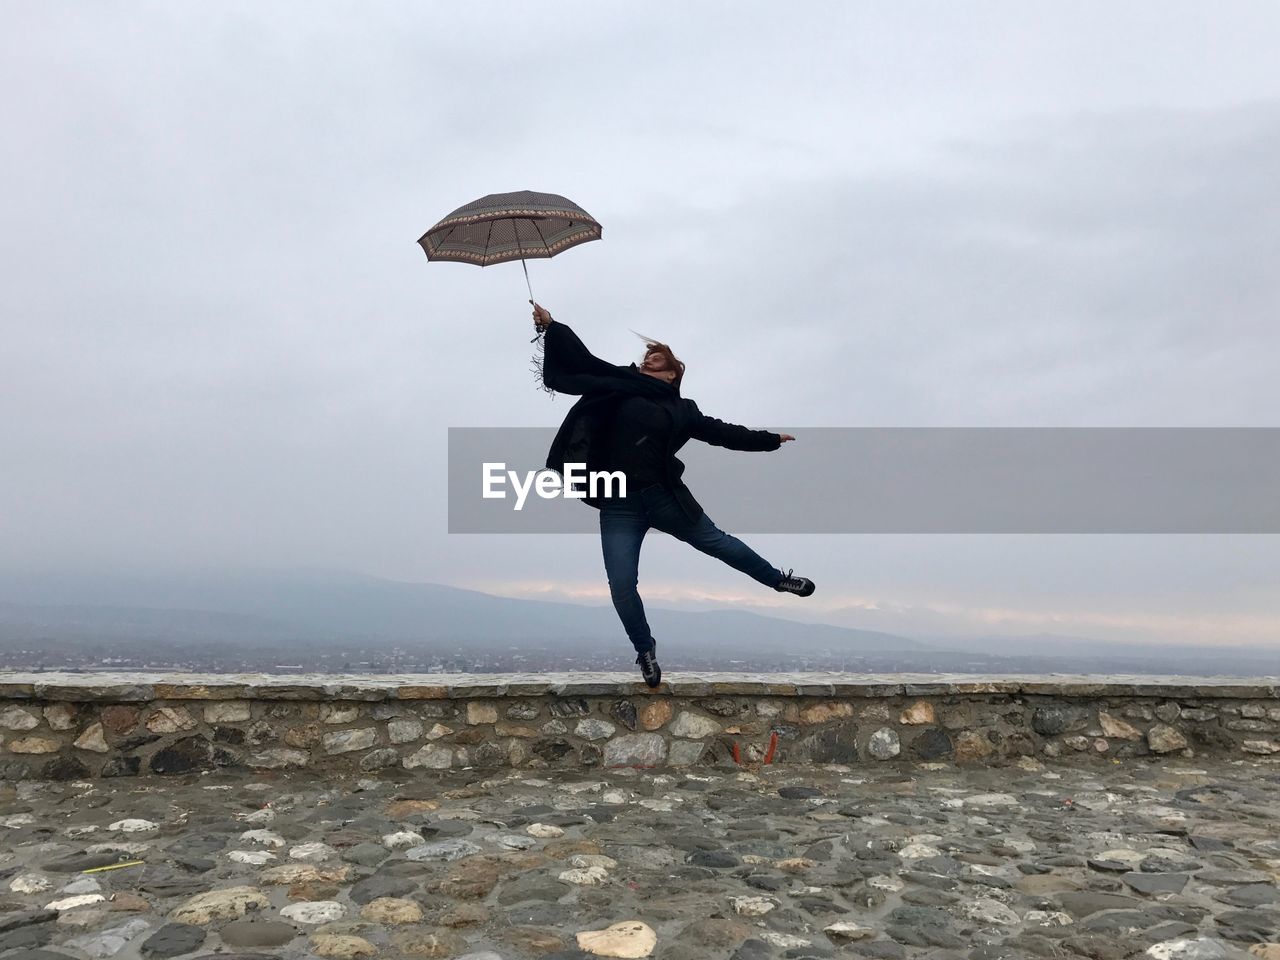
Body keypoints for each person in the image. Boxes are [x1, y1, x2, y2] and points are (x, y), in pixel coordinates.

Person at [530, 301, 815, 688]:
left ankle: (778, 580)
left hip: (665, 497)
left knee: (719, 543)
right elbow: (585, 363)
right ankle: (644, 650)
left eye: (657, 356)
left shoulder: (683, 410)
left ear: (673, 373)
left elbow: (723, 433)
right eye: (646, 355)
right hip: (619, 503)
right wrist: (552, 326)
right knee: (621, 584)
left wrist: (768, 440)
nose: (648, 358)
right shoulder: (620, 386)